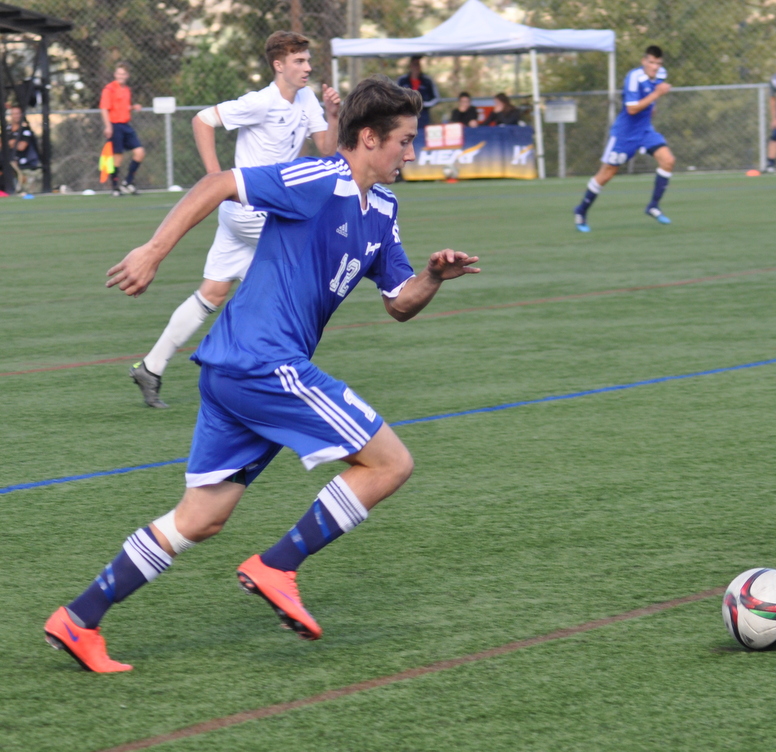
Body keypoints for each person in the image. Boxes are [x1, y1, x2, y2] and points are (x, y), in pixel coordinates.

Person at [43, 74, 480, 673]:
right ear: (369, 138)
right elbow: (219, 183)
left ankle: (79, 618)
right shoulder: (319, 180)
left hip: (235, 369)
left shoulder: (383, 210)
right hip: (262, 361)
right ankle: (276, 566)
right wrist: (153, 250)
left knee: (201, 518)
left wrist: (430, 276)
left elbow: (399, 303)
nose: (411, 152)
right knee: (390, 463)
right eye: (404, 140)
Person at [129, 31, 341, 409]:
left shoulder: (307, 99)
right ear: (279, 65)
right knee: (295, 285)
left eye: (308, 60)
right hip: (251, 212)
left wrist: (335, 115)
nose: (308, 66)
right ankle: (270, 377)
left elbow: (327, 148)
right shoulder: (261, 102)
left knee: (212, 293)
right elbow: (202, 120)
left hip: (247, 214)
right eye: (299, 61)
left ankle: (151, 367)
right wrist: (216, 180)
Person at [573, 45, 675, 232]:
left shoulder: (661, 75)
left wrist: (653, 106)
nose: (655, 67)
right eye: (651, 62)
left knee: (668, 160)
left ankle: (653, 206)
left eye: (658, 63)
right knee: (607, 174)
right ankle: (581, 211)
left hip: (645, 131)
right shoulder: (634, 77)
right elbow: (632, 109)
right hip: (625, 134)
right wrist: (656, 94)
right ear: (643, 61)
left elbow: (652, 97)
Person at [99, 64, 145, 196]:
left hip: (126, 125)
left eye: (123, 74)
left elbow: (123, 106)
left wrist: (133, 107)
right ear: (115, 74)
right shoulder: (109, 89)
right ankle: (115, 187)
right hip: (115, 125)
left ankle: (128, 182)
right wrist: (108, 126)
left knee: (140, 152)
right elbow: (104, 108)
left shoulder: (127, 89)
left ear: (127, 76)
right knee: (118, 156)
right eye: (118, 73)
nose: (121, 76)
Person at [396, 56, 439, 128]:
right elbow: (395, 97)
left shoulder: (427, 81)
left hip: (423, 115)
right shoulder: (402, 80)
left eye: (418, 64)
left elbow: (436, 98)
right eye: (414, 64)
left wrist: (423, 104)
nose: (416, 67)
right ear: (410, 66)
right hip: (406, 115)